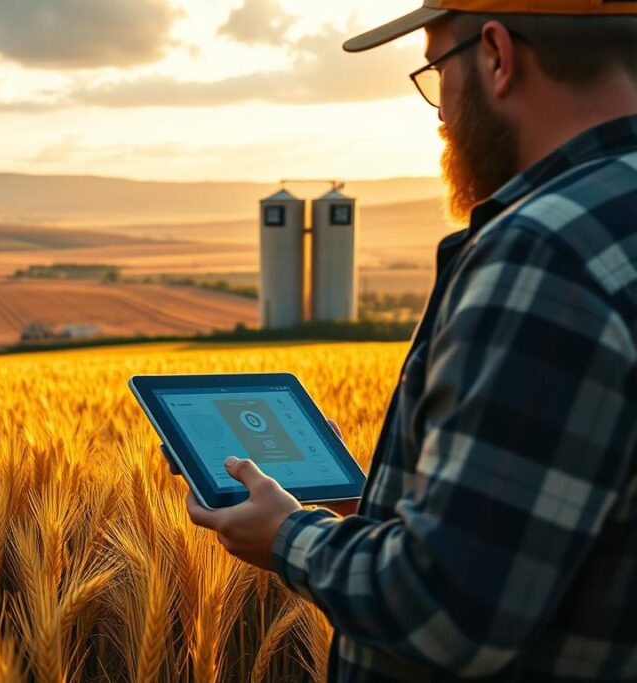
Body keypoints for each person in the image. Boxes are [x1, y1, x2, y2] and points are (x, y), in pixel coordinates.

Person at [173, 1, 637, 679]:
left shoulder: (543, 253)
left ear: (498, 56)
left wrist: (287, 536)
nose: (442, 113)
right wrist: (377, 508)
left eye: (437, 70)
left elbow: (451, 609)